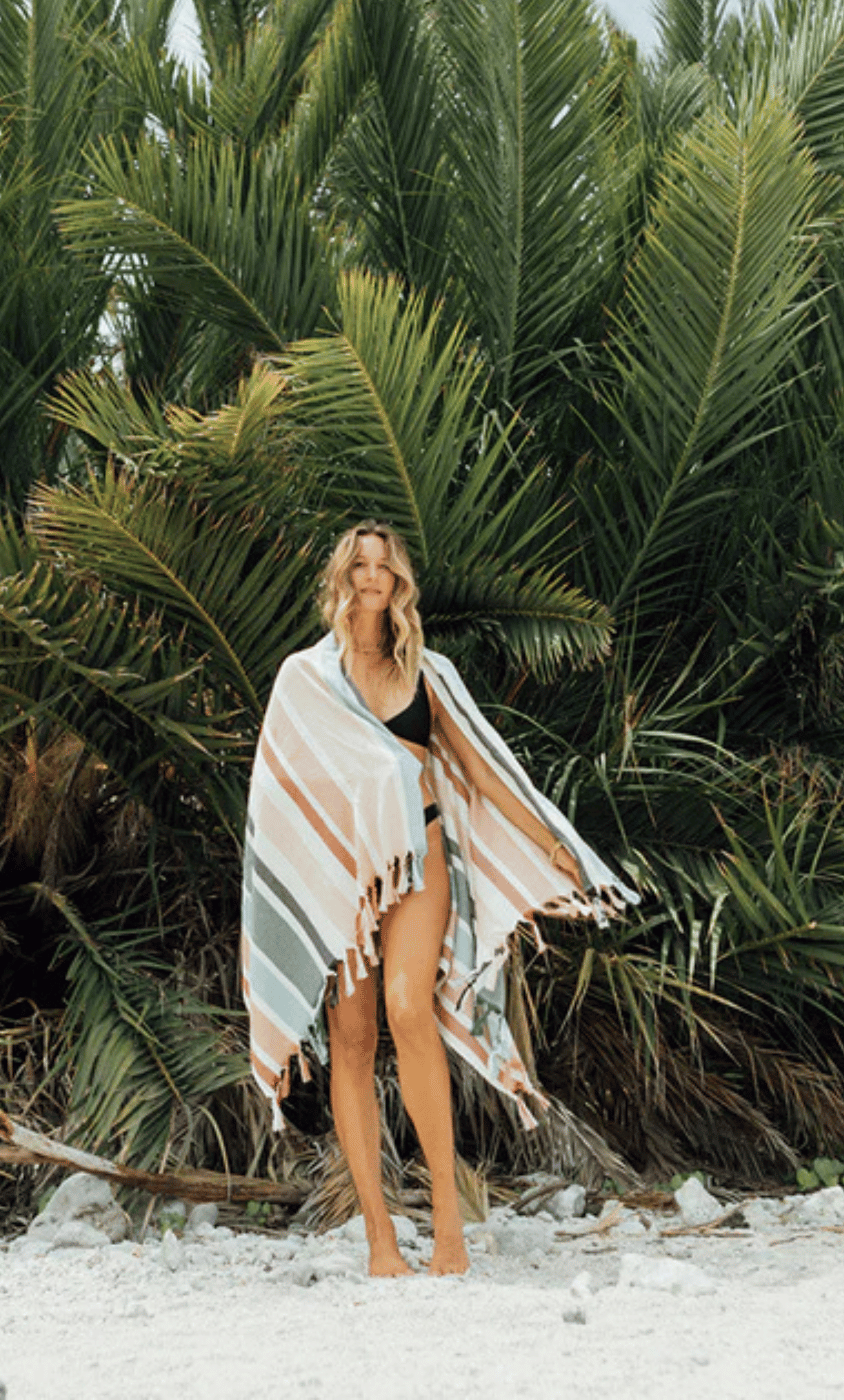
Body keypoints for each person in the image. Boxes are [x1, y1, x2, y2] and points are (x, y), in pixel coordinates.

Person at [241, 521, 634, 1276]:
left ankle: (450, 1227)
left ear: (400, 582)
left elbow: (483, 769)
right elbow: (278, 799)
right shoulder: (304, 680)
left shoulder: (428, 672)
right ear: (341, 578)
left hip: (420, 860)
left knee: (408, 1007)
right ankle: (380, 1240)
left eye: (383, 565)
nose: (371, 575)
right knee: (352, 1040)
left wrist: (552, 843)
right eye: (359, 564)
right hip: (345, 881)